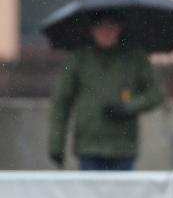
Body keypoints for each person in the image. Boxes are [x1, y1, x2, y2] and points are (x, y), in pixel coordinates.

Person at [48, 13, 164, 171]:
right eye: (100, 27)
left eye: (111, 26)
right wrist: (56, 145)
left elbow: (156, 93)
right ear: (92, 29)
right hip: (88, 147)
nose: (106, 32)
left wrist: (128, 108)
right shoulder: (78, 58)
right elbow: (61, 101)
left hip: (123, 147)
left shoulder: (135, 56)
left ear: (119, 28)